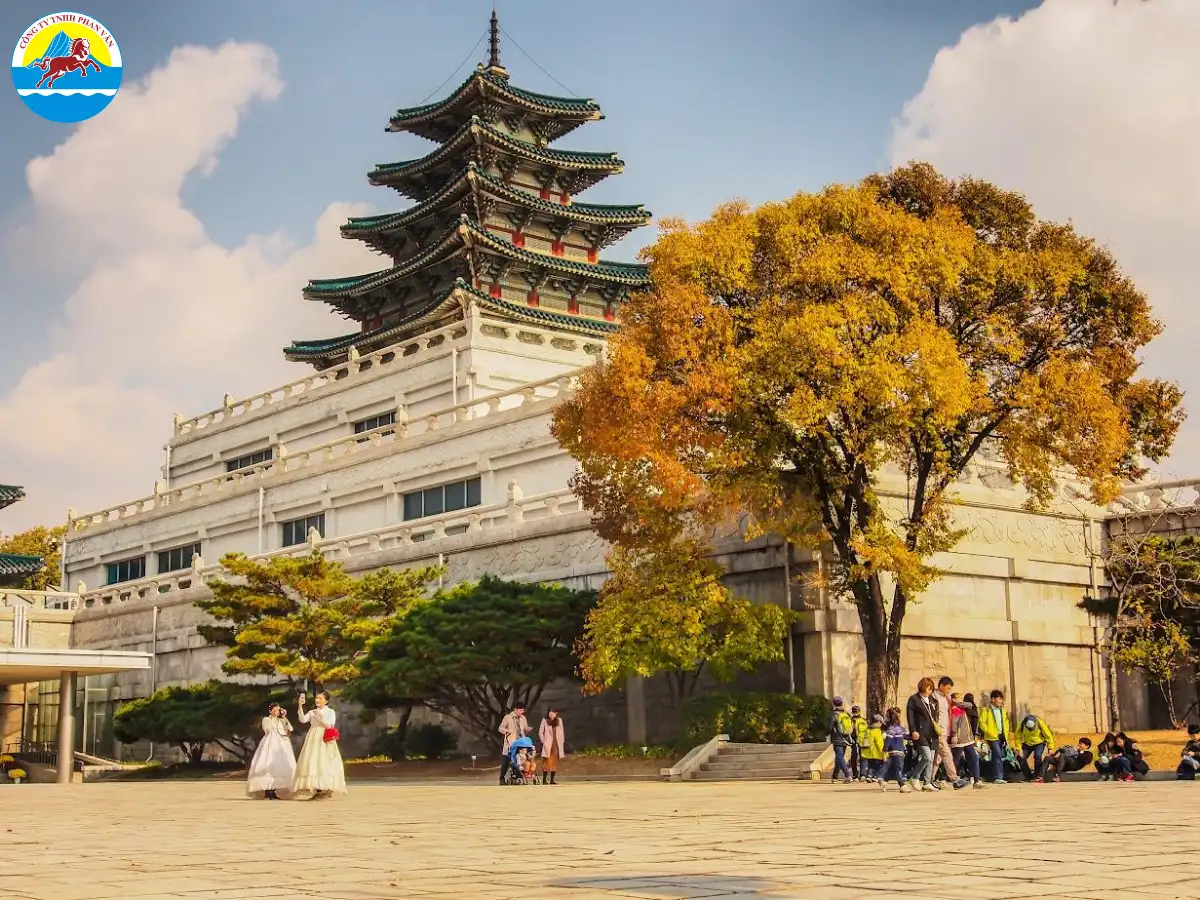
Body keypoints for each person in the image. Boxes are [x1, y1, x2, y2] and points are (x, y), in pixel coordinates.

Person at [293, 691, 346, 799]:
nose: (317, 700)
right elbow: (303, 720)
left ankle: (326, 787)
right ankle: (318, 788)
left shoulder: (330, 712)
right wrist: (300, 705)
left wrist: (320, 715)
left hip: (324, 737)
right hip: (313, 736)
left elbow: (329, 725)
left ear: (326, 701)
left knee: (324, 760)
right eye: (317, 698)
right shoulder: (312, 711)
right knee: (312, 759)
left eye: (320, 698)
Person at [245, 702, 295, 800]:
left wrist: (284, 718)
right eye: (275, 710)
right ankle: (268, 790)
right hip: (270, 742)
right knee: (268, 764)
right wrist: (275, 719)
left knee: (281, 766)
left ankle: (274, 790)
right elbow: (267, 729)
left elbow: (290, 729)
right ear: (270, 711)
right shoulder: (266, 719)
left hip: (283, 744)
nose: (277, 712)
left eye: (278, 709)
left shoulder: (282, 719)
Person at [931, 677, 968, 789]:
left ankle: (929, 779)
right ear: (941, 685)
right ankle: (955, 779)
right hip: (938, 731)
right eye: (947, 688)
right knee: (947, 754)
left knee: (937, 758)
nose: (948, 691)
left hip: (945, 731)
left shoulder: (947, 698)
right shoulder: (934, 697)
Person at [905, 677, 940, 792]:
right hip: (920, 733)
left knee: (931, 758)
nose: (930, 691)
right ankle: (914, 777)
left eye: (931, 689)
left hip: (933, 733)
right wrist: (913, 730)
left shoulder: (933, 701)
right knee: (926, 757)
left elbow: (936, 716)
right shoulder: (914, 699)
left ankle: (927, 782)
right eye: (928, 688)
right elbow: (910, 717)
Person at [977, 690, 1012, 784]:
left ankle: (996, 775)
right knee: (997, 754)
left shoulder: (1002, 710)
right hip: (992, 737)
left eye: (1001, 699)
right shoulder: (986, 710)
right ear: (993, 699)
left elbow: (1006, 722)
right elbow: (982, 723)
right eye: (999, 699)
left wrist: (1006, 733)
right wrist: (989, 731)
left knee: (997, 756)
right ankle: (998, 777)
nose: (1001, 701)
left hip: (1001, 736)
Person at [949, 695, 983, 788]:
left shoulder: (961, 708)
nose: (960, 699)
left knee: (974, 758)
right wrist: (954, 735)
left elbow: (969, 704)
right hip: (959, 739)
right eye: (958, 698)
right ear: (954, 699)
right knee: (955, 761)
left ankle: (977, 780)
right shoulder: (955, 709)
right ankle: (951, 780)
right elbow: (954, 723)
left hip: (967, 739)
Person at [1015, 712, 1056, 780]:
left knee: (1037, 756)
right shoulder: (1021, 724)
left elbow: (1048, 735)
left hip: (1039, 742)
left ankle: (1037, 776)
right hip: (1027, 743)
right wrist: (1019, 749)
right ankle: (1028, 777)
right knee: (1021, 758)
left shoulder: (1040, 723)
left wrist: (1050, 748)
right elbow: (1017, 737)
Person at [879, 707, 910, 792]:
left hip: (899, 751)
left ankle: (884, 781)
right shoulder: (892, 728)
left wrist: (914, 736)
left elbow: (905, 736)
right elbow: (888, 740)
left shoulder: (899, 727)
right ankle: (902, 786)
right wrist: (884, 752)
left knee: (894, 769)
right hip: (896, 751)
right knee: (898, 769)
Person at [498, 704, 530, 785]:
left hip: (520, 743)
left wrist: (528, 729)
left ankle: (517, 777)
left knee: (518, 761)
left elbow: (525, 728)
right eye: (520, 710)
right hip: (510, 743)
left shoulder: (523, 718)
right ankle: (502, 779)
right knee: (506, 762)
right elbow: (500, 728)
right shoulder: (508, 717)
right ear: (515, 709)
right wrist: (506, 731)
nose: (521, 712)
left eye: (523, 710)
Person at [827, 697, 855, 782]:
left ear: (834, 704)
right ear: (842, 703)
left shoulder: (834, 715)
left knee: (839, 757)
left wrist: (826, 733)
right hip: (846, 738)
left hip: (837, 739)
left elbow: (829, 727)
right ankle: (835, 777)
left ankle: (848, 775)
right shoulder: (847, 714)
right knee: (839, 758)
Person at [538, 708, 566, 785]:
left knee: (554, 762)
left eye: (553, 714)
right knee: (546, 761)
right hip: (548, 743)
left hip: (556, 743)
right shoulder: (545, 720)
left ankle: (552, 780)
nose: (551, 715)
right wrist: (543, 741)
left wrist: (561, 741)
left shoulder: (559, 720)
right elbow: (540, 732)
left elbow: (561, 731)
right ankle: (544, 780)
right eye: (550, 714)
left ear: (556, 713)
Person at [861, 714, 885, 782]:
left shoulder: (867, 729)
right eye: (881, 723)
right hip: (876, 752)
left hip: (867, 751)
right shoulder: (877, 731)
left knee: (871, 765)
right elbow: (879, 744)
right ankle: (875, 776)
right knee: (880, 764)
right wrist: (884, 753)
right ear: (878, 722)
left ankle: (869, 776)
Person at [849, 705, 868, 779]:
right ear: (859, 711)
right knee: (863, 758)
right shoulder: (863, 720)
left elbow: (849, 731)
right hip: (862, 741)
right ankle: (863, 774)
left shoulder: (851, 720)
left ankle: (855, 775)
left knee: (854, 758)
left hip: (854, 741)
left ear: (852, 712)